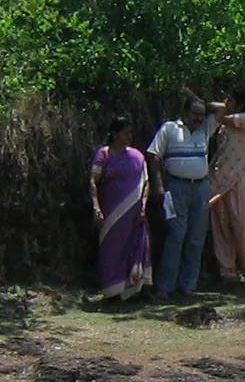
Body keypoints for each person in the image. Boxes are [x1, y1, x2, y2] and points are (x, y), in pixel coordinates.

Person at [146, 95, 217, 296]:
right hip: (176, 188)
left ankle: (188, 285)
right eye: (194, 114)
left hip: (201, 188)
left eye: (201, 115)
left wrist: (207, 106)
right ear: (184, 113)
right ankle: (165, 286)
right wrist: (158, 186)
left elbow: (224, 109)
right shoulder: (170, 129)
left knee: (196, 238)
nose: (198, 118)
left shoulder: (205, 128)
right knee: (176, 235)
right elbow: (153, 156)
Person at [90, 117, 153, 301]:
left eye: (130, 133)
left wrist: (143, 206)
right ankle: (112, 292)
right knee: (112, 250)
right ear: (114, 134)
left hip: (135, 213)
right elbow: (93, 182)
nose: (128, 137)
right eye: (125, 133)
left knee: (138, 247)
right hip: (112, 213)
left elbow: (146, 182)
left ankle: (138, 290)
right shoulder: (104, 154)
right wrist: (96, 208)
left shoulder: (137, 156)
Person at [207, 93, 245, 285]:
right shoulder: (224, 125)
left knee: (242, 226)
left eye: (231, 99)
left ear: (239, 103)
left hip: (240, 178)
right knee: (221, 226)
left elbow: (217, 113)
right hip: (220, 181)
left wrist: (219, 106)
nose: (226, 103)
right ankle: (228, 271)